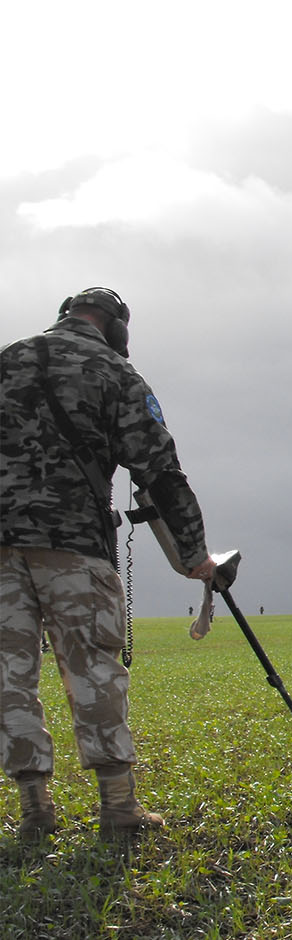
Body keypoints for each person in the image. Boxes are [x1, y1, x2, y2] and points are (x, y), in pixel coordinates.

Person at [1, 288, 218, 840]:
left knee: (9, 677)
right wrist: (195, 555)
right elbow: (161, 472)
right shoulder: (116, 374)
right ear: (116, 327)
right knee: (93, 668)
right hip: (73, 544)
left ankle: (34, 813)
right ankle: (119, 810)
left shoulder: (7, 360)